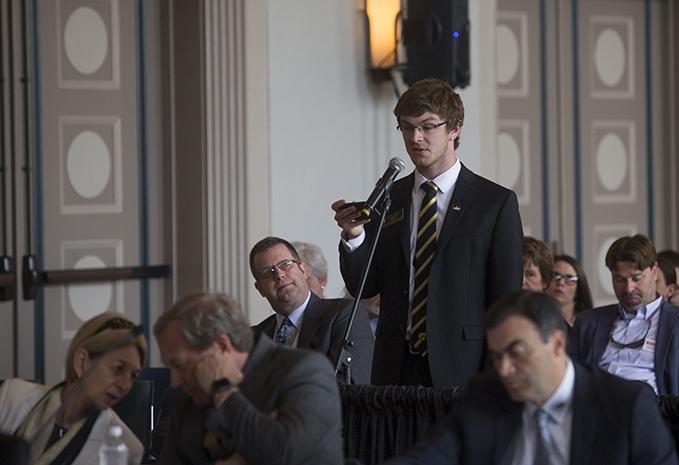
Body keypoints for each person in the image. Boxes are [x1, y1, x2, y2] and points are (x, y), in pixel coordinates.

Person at [332, 78, 523, 387]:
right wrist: (354, 236)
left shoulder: (494, 202)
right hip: (395, 367)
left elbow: (506, 301)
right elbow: (364, 287)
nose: (416, 138)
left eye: (428, 126)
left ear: (455, 129)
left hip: (464, 369)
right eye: (407, 128)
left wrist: (495, 374)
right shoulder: (391, 197)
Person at [383, 290, 678, 465]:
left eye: (517, 353)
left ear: (558, 344)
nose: (505, 369)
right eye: (497, 357)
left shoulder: (625, 405)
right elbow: (429, 458)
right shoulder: (484, 395)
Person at [154, 292, 343, 465]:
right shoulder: (188, 399)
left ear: (221, 347)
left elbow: (285, 453)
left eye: (180, 365)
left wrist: (224, 393)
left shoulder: (305, 372)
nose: (175, 381)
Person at [0, 312, 146, 465]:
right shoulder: (11, 397)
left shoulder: (128, 449)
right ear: (82, 362)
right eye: (117, 369)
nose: (125, 385)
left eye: (133, 376)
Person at [569, 234, 679, 395]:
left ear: (654, 272)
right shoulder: (587, 323)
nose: (629, 288)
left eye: (636, 278)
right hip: (598, 410)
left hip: (654, 413)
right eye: (620, 280)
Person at [250, 236, 374, 384]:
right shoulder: (254, 338)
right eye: (267, 272)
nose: (279, 275)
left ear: (303, 270)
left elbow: (350, 388)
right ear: (260, 289)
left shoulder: (344, 314)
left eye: (286, 264)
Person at [547, 254, 593, 326]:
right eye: (555, 275)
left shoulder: (588, 324)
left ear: (579, 287)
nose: (561, 283)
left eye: (569, 278)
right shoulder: (532, 319)